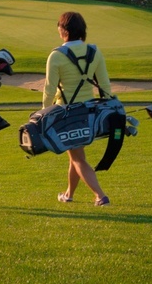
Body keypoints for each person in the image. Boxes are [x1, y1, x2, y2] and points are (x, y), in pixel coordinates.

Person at [42, 11, 113, 207]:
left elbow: (49, 89)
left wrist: (43, 114)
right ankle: (68, 194)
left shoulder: (56, 55)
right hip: (89, 112)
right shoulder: (94, 51)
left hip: (65, 114)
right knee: (74, 154)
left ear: (63, 30)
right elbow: (105, 86)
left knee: (77, 157)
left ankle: (100, 196)